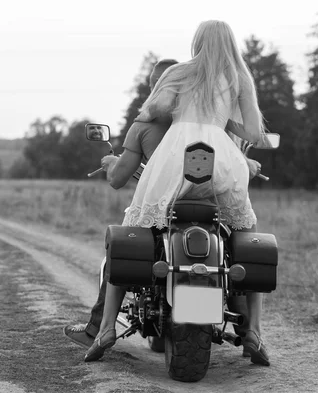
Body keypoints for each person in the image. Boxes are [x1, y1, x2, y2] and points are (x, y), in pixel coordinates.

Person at [83, 20, 270, 366]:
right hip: (220, 157)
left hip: (176, 154)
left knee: (135, 228)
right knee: (247, 238)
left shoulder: (180, 72)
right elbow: (255, 133)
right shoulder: (239, 77)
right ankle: (254, 332)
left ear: (197, 41)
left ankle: (106, 327)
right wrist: (221, 121)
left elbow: (153, 110)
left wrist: (181, 109)